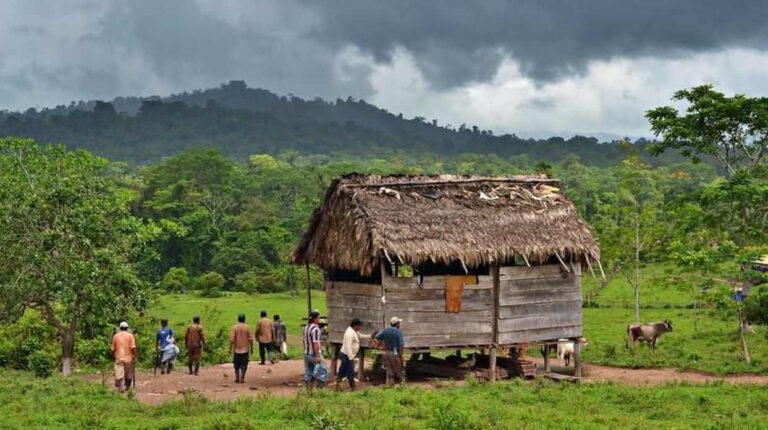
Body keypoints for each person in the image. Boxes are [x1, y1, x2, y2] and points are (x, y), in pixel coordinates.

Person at [337, 318, 370, 391]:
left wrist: (370, 336)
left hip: (347, 354)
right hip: (346, 355)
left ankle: (339, 386)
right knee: (350, 371)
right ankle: (353, 387)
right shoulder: (349, 333)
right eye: (360, 326)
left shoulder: (354, 331)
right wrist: (351, 358)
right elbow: (348, 346)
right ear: (356, 325)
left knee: (342, 370)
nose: (360, 327)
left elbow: (361, 336)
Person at [376, 316, 405, 386]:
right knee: (398, 368)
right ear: (397, 324)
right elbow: (401, 345)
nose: (399, 325)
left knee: (390, 368)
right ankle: (401, 385)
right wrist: (400, 356)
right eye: (399, 323)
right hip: (395, 351)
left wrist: (381, 345)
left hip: (387, 351)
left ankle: (391, 384)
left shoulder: (386, 331)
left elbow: (377, 337)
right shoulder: (398, 332)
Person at [303, 310, 327, 390]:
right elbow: (316, 343)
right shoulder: (316, 329)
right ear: (315, 319)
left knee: (309, 372)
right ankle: (320, 391)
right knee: (323, 371)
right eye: (318, 318)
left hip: (307, 353)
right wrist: (317, 356)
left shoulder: (306, 327)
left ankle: (308, 391)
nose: (319, 320)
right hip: (313, 354)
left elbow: (303, 341)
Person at [111, 321, 137, 393]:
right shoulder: (130, 336)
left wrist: (113, 357)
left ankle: (122, 386)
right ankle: (127, 387)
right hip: (129, 358)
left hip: (119, 357)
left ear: (120, 328)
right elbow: (133, 348)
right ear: (127, 328)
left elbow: (112, 349)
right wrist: (135, 357)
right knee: (129, 375)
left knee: (119, 373)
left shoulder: (115, 336)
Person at [229, 313, 253, 383]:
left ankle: (237, 378)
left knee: (236, 365)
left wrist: (230, 348)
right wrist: (251, 348)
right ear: (244, 319)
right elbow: (250, 339)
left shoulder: (234, 327)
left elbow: (232, 340)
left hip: (237, 349)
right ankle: (242, 378)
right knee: (244, 365)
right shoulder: (247, 327)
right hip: (245, 349)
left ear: (238, 319)